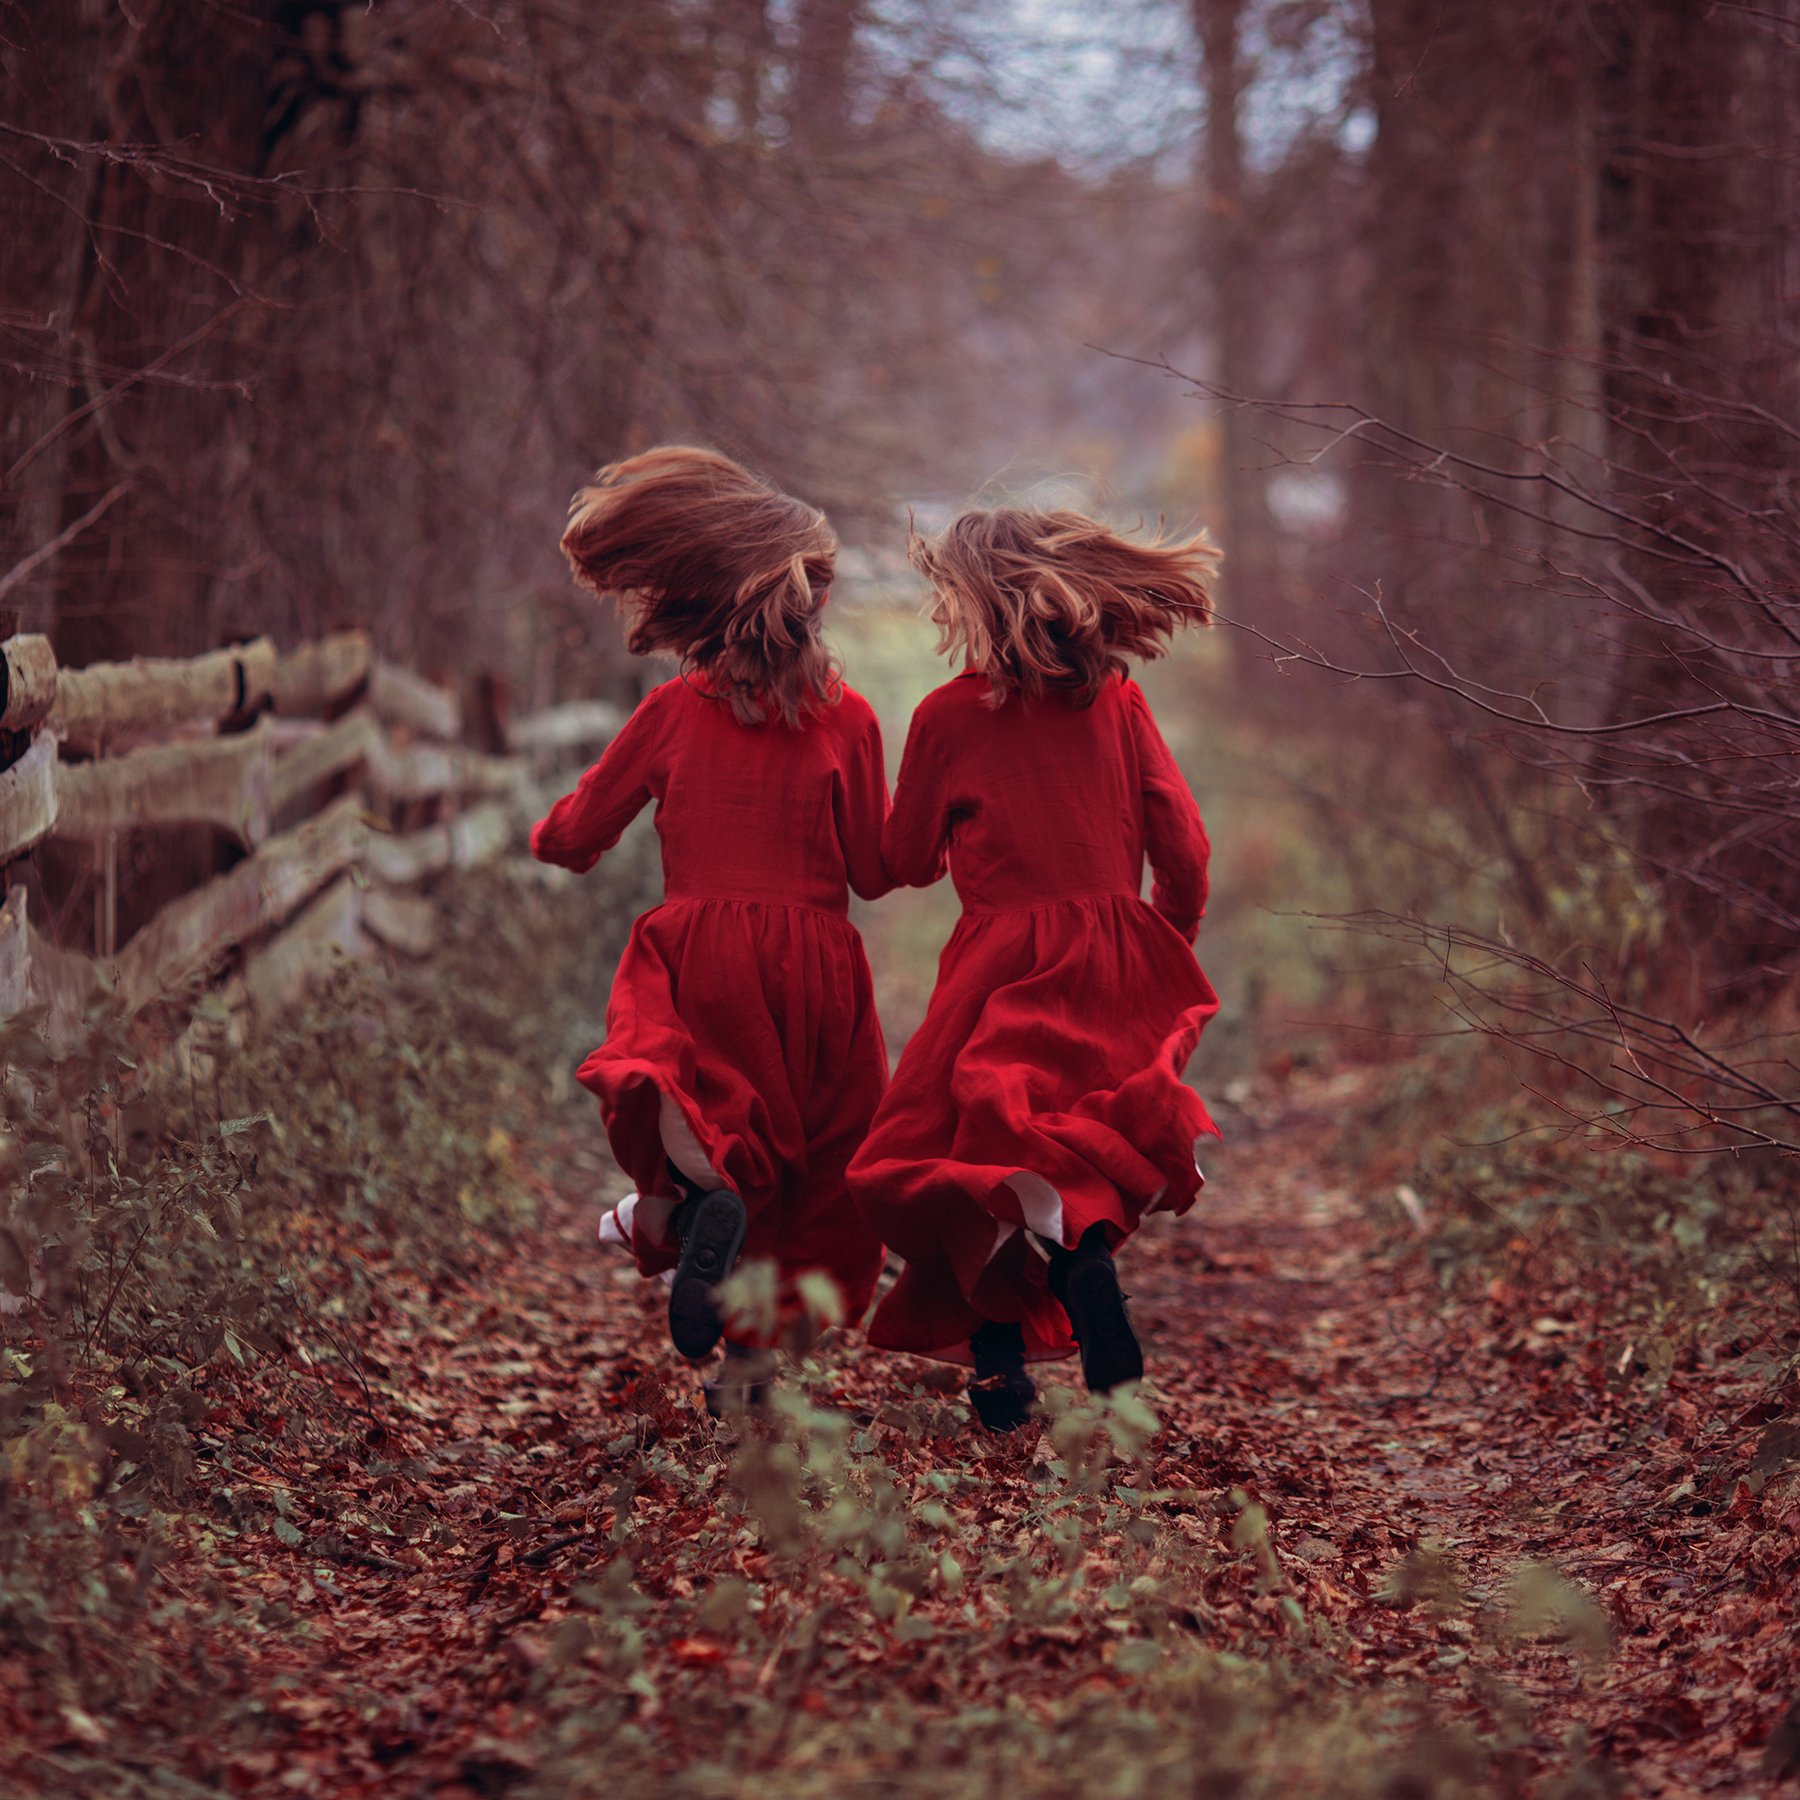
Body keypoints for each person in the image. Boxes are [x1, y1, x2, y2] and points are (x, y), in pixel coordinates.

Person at [848, 504, 1221, 1431]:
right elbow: (1184, 846)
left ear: (972, 600)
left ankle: (1000, 1363)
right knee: (1073, 1132)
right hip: (1119, 949)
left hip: (1000, 958)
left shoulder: (946, 716)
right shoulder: (1119, 700)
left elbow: (904, 859)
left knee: (956, 1146)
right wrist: (1161, 939)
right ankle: (1084, 1259)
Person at [531, 447, 891, 1406]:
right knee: (811, 1164)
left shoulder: (672, 714)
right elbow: (874, 868)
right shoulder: (847, 719)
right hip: (818, 965)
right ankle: (752, 1370)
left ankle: (699, 1213)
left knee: (694, 1107)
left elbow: (574, 836)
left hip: (700, 955)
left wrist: (550, 833)